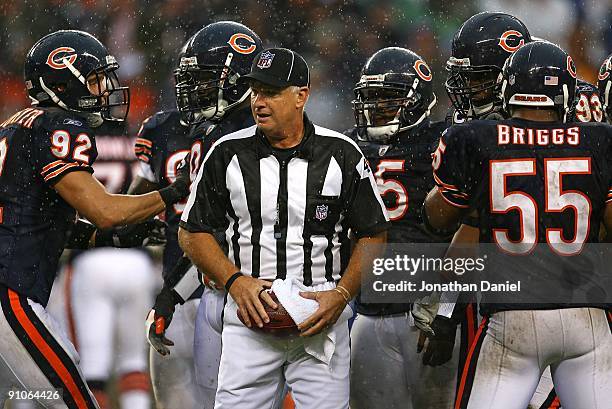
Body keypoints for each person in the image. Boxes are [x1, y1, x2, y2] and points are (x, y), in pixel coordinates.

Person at [179, 47, 388, 409]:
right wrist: (235, 281)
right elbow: (192, 231)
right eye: (255, 91)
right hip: (249, 314)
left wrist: (341, 295)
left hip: (320, 314)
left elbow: (374, 233)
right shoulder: (227, 152)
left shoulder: (342, 154)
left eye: (271, 92)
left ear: (301, 96)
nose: (259, 102)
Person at [0, 30, 188, 408]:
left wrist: (106, 241)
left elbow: (35, 221)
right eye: (96, 79)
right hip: (11, 292)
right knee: (75, 401)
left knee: (26, 399)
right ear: (63, 80)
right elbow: (105, 211)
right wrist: (174, 191)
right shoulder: (58, 126)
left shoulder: (18, 123)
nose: (106, 90)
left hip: (11, 283)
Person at [425, 40, 612, 409]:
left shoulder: (476, 139)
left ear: (507, 87)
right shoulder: (599, 140)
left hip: (514, 319)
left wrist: (478, 199)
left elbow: (438, 219)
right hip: (586, 315)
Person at [142, 21, 265, 408]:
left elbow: (219, 231)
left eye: (206, 78)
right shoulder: (211, 133)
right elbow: (207, 229)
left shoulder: (249, 137)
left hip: (251, 291)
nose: (194, 89)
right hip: (211, 284)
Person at [346, 46, 462, 409]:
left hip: (423, 309)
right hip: (367, 308)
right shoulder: (347, 145)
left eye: (387, 98)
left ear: (417, 100)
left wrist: (446, 308)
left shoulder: (444, 141)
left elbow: (466, 228)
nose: (376, 108)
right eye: (370, 98)